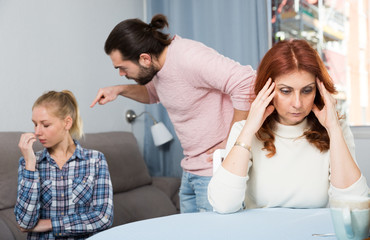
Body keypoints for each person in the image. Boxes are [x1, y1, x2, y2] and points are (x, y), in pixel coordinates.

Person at [90, 14, 256, 213]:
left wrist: (233, 139)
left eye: (123, 68)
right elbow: (154, 93)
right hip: (190, 171)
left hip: (215, 170)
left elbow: (246, 81)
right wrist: (119, 90)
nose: (121, 74)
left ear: (144, 58)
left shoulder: (187, 56)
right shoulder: (158, 68)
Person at [208, 39, 369, 214]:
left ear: (318, 90)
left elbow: (355, 203)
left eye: (307, 90)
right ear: (266, 90)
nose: (297, 103)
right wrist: (248, 130)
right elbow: (223, 205)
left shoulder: (335, 129)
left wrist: (334, 130)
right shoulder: (244, 131)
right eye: (286, 91)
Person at [14, 90, 114, 239]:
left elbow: (103, 217)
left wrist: (50, 224)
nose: (37, 132)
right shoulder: (28, 163)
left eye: (45, 125)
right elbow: (24, 223)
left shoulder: (96, 160)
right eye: (35, 124)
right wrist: (30, 165)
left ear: (67, 123)